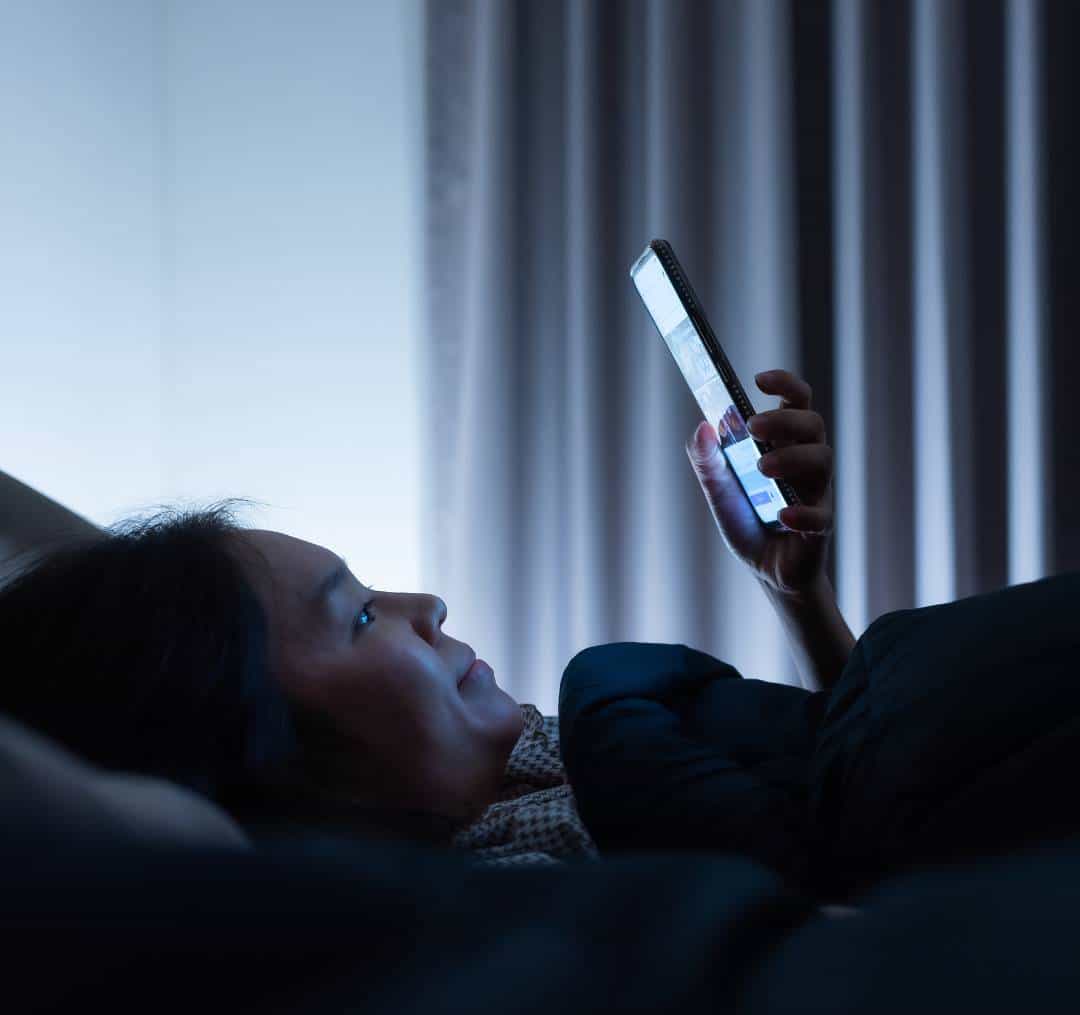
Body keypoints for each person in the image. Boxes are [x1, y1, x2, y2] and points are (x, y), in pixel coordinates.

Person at [0, 369, 846, 867]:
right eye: (360, 620)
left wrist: (794, 591)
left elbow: (869, 779)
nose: (427, 606)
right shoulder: (517, 929)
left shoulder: (557, 762)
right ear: (263, 749)